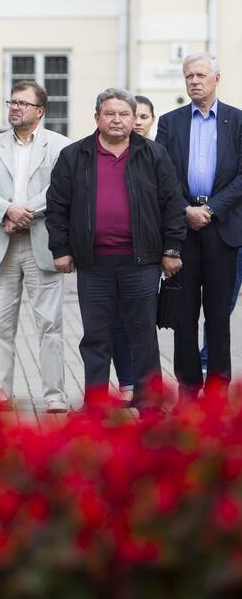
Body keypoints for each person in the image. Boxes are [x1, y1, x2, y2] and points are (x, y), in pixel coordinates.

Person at [47, 88, 186, 415]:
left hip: (141, 262)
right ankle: (96, 403)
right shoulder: (74, 155)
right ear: (97, 117)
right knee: (95, 337)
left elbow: (172, 204)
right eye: (110, 113)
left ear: (133, 119)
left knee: (143, 336)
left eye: (125, 114)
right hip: (93, 263)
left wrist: (172, 249)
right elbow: (57, 206)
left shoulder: (153, 155)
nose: (117, 120)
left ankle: (148, 401)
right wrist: (61, 248)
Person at [0, 81, 72, 413]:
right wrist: (6, 211)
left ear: (40, 111)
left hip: (41, 242)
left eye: (22, 103)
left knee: (49, 324)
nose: (14, 108)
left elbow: (60, 189)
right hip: (2, 240)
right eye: (11, 102)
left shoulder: (59, 146)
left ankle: (55, 394)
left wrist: (24, 212)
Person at [156, 53, 242, 402]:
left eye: (201, 75)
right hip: (183, 231)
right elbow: (162, 175)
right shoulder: (170, 122)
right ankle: (189, 388)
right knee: (184, 315)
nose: (194, 81)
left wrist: (211, 208)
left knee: (219, 316)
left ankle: (219, 389)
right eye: (189, 75)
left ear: (216, 79)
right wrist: (186, 209)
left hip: (223, 230)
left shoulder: (237, 121)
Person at [108, 94, 157, 404]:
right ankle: (127, 381)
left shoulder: (158, 154)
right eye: (133, 116)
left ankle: (148, 386)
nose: (137, 122)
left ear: (152, 120)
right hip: (115, 254)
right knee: (118, 320)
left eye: (143, 117)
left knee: (144, 320)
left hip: (153, 252)